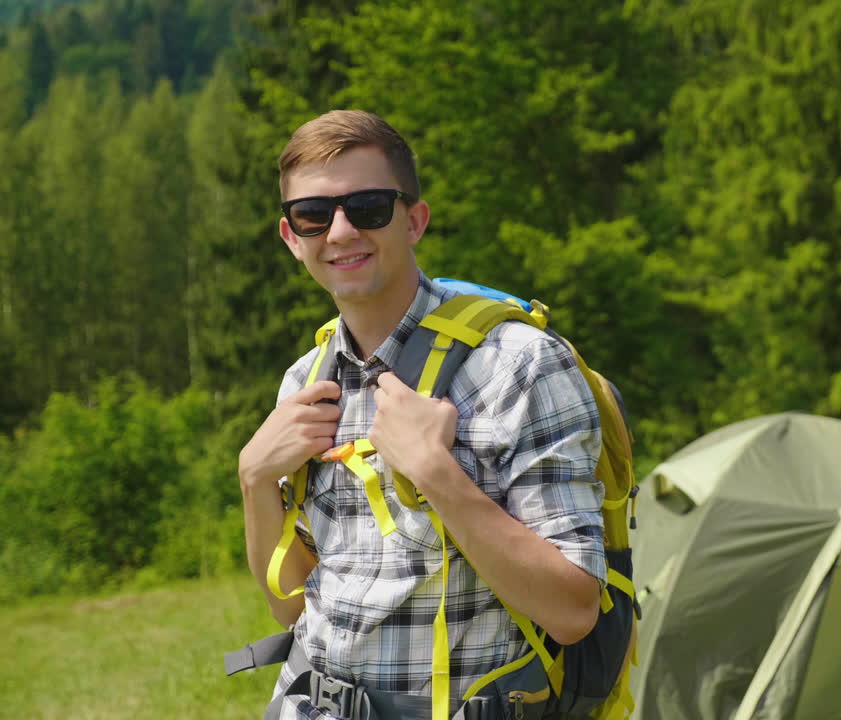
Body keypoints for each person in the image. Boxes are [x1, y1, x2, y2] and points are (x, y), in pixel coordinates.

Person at [237, 109, 606, 719]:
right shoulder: (306, 380)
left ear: (414, 221)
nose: (340, 232)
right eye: (314, 215)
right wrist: (254, 480)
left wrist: (435, 473)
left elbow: (572, 611)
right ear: (291, 236)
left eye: (369, 208)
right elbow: (291, 607)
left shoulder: (520, 364)